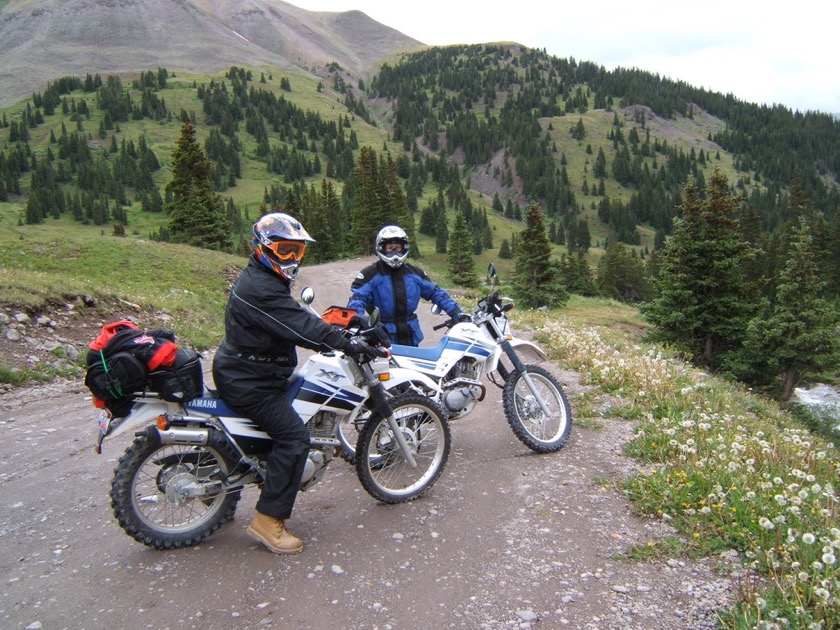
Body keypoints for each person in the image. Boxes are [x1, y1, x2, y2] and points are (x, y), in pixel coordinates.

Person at [212, 212, 371, 555]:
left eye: (298, 252)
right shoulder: (260, 288)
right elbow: (301, 327)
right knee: (294, 437)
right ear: (264, 248)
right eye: (285, 250)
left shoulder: (264, 280)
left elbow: (296, 318)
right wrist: (346, 343)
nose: (293, 259)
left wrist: (337, 329)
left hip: (254, 371)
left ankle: (239, 485)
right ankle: (268, 521)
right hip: (249, 381)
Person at [348, 225, 466, 347]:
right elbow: (358, 299)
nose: (394, 252)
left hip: (410, 334)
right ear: (381, 248)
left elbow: (436, 293)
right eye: (390, 248)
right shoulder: (370, 274)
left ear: (404, 248)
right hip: (381, 336)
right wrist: (357, 322)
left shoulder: (415, 274)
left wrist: (456, 312)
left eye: (398, 247)